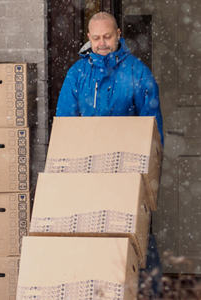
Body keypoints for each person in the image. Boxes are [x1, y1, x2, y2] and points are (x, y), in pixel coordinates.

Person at [56, 12, 164, 298]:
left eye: (107, 37)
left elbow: (153, 132)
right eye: (95, 38)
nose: (102, 43)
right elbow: (65, 127)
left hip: (128, 176)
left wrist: (147, 181)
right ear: (88, 39)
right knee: (91, 239)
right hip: (87, 175)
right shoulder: (77, 74)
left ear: (118, 34)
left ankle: (148, 294)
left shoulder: (137, 73)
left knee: (138, 239)